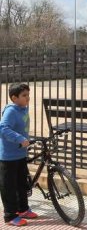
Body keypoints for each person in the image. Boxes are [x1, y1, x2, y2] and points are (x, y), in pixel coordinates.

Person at [0, 83, 38, 226]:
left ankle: (23, 209)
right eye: (24, 95)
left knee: (22, 184)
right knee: (9, 186)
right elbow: (2, 129)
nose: (28, 98)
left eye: (28, 94)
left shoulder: (23, 108)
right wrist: (20, 139)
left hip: (20, 154)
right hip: (8, 156)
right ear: (14, 98)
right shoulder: (11, 111)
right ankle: (10, 216)